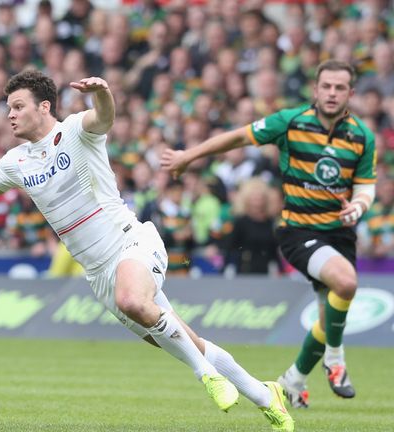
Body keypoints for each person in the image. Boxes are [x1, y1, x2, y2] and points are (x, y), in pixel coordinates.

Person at [0, 69, 293, 431]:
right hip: (98, 274)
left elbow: (103, 117)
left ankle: (206, 376)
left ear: (44, 107)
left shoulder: (75, 130)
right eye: (8, 109)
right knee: (189, 342)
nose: (10, 115)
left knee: (133, 300)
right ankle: (265, 394)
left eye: (18, 107)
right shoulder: (17, 161)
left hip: (130, 241)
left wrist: (102, 93)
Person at [161, 59, 376, 409]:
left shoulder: (361, 136)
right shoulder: (290, 122)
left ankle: (293, 380)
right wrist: (190, 155)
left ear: (350, 93)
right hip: (299, 230)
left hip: (340, 235)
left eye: (340, 87)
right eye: (326, 86)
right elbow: (237, 137)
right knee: (347, 283)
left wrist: (359, 205)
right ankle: (335, 359)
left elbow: (366, 186)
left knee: (329, 316)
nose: (332, 93)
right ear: (316, 89)